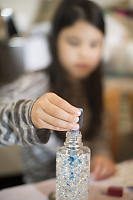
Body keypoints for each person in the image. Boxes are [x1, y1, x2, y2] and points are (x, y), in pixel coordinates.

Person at [0, 0, 116, 182]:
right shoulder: (34, 83)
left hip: (85, 184)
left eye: (94, 44)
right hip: (40, 187)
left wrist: (102, 155)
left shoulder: (93, 83)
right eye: (74, 42)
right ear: (55, 41)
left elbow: (98, 131)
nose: (84, 53)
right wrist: (29, 114)